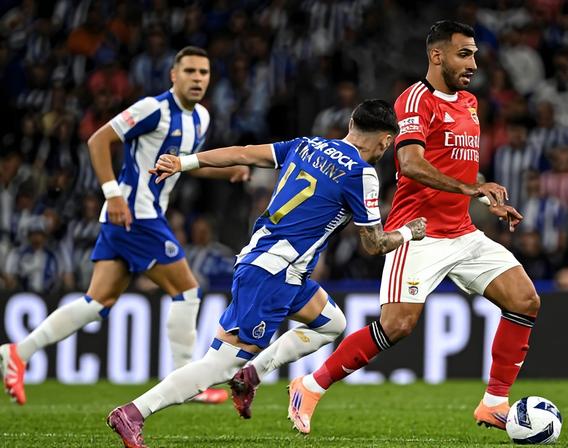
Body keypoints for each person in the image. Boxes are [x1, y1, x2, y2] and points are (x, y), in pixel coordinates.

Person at [267, 20, 539, 435]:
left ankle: (494, 403)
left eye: (474, 55)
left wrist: (486, 191)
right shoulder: (414, 101)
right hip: (419, 232)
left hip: (463, 232)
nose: (473, 63)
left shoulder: (469, 102)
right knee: (397, 326)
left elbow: (456, 164)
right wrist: (474, 188)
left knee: (524, 301)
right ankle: (310, 384)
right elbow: (410, 163)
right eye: (463, 54)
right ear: (436, 55)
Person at [106, 100, 427, 447]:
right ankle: (134, 412)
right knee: (218, 365)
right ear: (385, 141)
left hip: (283, 270)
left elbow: (243, 153)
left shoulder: (307, 145)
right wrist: (411, 232)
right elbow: (375, 244)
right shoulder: (362, 174)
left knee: (332, 323)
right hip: (273, 274)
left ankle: (251, 376)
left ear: (351, 124)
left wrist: (184, 162)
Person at [0, 46, 249, 406]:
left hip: (139, 217)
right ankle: (187, 382)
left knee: (97, 302)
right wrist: (112, 194)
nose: (197, 79)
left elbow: (184, 163)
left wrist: (228, 169)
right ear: (173, 75)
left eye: (204, 73)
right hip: (134, 214)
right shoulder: (153, 108)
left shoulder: (202, 119)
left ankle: (19, 353)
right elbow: (98, 140)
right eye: (190, 71)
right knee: (188, 290)